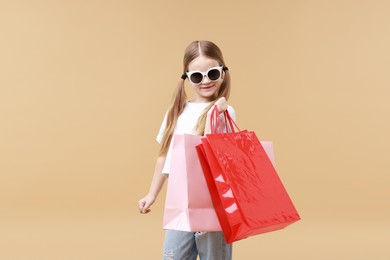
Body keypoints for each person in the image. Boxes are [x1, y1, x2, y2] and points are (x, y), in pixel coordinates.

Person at [138, 40, 236, 260]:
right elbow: (164, 156)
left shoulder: (226, 112)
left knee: (214, 256)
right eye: (196, 76)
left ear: (222, 73)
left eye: (212, 73)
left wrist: (218, 115)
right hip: (179, 196)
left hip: (214, 199)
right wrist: (152, 194)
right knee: (174, 255)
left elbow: (216, 153)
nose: (205, 81)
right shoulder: (177, 112)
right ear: (187, 78)